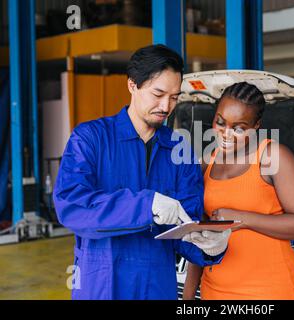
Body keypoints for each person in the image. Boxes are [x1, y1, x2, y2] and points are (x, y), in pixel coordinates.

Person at [53, 45, 230, 300]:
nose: (165, 106)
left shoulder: (180, 149)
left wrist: (210, 248)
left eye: (174, 97)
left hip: (157, 285)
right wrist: (146, 205)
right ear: (132, 85)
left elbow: (186, 228)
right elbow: (71, 207)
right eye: (158, 93)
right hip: (103, 283)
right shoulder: (90, 138)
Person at [182, 82, 294, 300]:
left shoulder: (273, 157)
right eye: (220, 123)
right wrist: (187, 297)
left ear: (256, 126)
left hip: (270, 290)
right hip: (215, 291)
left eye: (238, 128)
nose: (226, 133)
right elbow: (201, 235)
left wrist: (242, 219)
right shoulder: (207, 161)